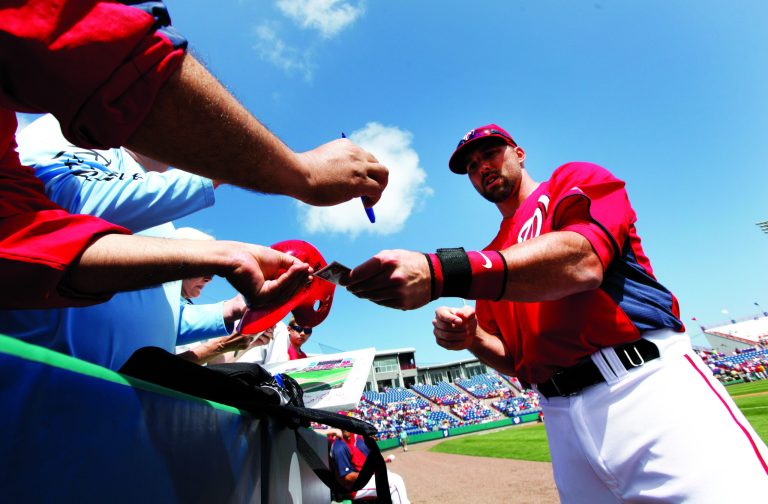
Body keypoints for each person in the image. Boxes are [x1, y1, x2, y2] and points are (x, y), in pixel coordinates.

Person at [343, 124, 768, 501]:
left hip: (643, 385)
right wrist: (472, 339)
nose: (481, 168)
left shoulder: (570, 181)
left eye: (490, 153)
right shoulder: (493, 258)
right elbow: (516, 361)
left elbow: (583, 261)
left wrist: (443, 271)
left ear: (519, 153)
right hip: (560, 419)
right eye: (471, 166)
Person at [0, 1, 387, 309]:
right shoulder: (62, 133)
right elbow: (89, 43)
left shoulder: (153, 212)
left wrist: (220, 257)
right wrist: (298, 172)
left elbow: (32, 243)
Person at [0, 118, 255, 369]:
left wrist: (229, 310)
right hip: (45, 381)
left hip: (126, 394)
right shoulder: (74, 131)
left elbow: (164, 320)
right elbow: (76, 200)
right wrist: (218, 171)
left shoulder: (164, 221)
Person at [330, 429, 410, 503]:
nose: (346, 429)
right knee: (395, 482)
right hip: (353, 489)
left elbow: (361, 464)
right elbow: (347, 477)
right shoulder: (339, 446)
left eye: (347, 425)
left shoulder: (348, 442)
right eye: (343, 427)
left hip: (359, 482)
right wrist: (370, 474)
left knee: (390, 476)